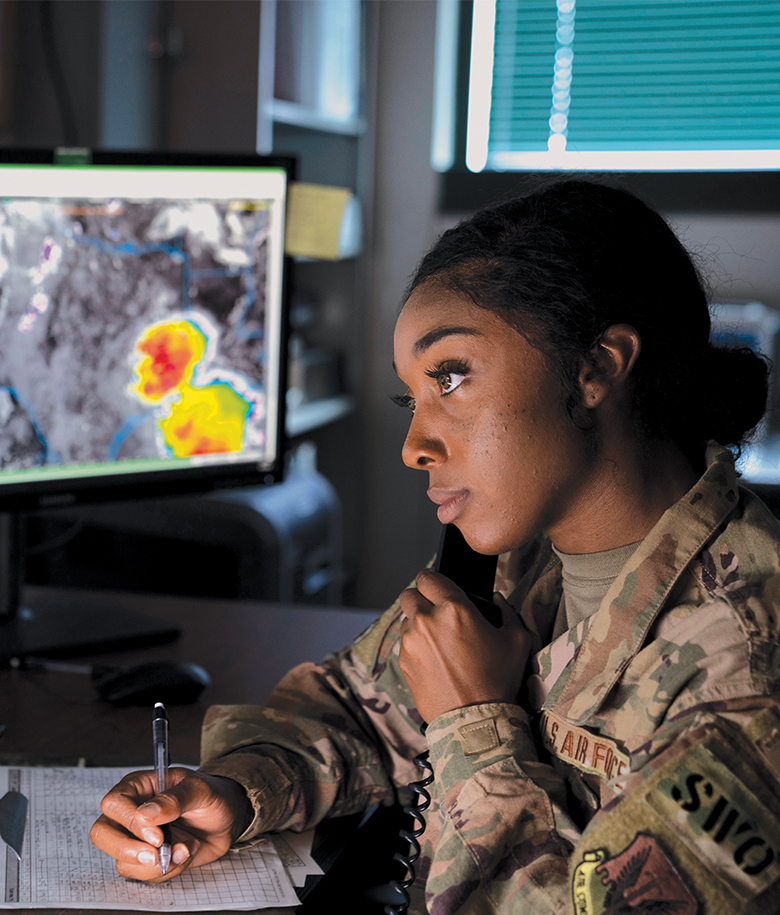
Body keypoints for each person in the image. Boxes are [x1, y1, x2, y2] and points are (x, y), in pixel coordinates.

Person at [90, 179, 780, 914]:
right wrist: (233, 790)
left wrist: (473, 719)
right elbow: (355, 706)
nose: (414, 445)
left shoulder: (745, 671)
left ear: (595, 369)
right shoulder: (518, 557)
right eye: (410, 398)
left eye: (450, 377)